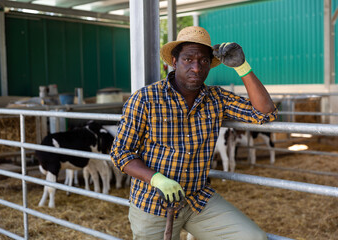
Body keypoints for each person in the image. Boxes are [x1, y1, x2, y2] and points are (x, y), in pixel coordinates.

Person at [110, 26, 277, 240]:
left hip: (197, 200)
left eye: (204, 61)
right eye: (188, 59)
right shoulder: (145, 99)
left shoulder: (217, 98)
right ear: (174, 61)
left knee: (253, 237)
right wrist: (157, 179)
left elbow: (265, 114)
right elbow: (121, 152)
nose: (196, 68)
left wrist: (242, 67)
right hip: (154, 202)